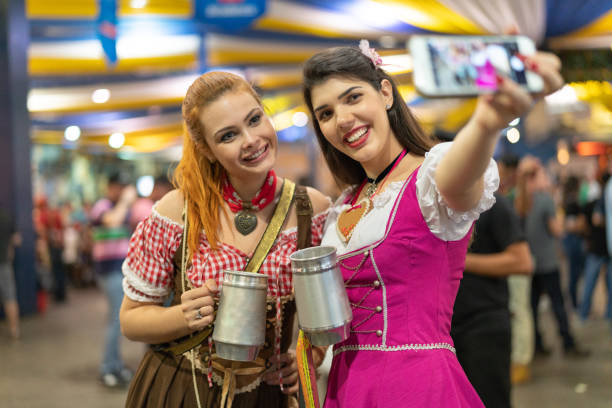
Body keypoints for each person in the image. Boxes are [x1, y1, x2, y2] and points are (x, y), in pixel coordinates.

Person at [301, 40, 563, 407]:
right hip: (346, 393)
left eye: (353, 97)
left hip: (419, 389)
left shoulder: (430, 179)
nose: (342, 119)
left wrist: (487, 122)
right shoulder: (342, 206)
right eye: (325, 113)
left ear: (386, 93)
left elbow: (459, 178)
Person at [119, 71, 330, 407]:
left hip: (268, 396)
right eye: (229, 135)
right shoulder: (177, 212)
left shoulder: (312, 210)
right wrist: (181, 317)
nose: (251, 139)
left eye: (255, 119)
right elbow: (131, 319)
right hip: (183, 391)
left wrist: (310, 356)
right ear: (207, 149)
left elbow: (326, 314)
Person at [451, 192, 533, 408]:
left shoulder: (490, 203)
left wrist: (458, 259)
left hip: (483, 327)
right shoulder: (436, 204)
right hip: (446, 333)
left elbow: (522, 262)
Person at [515, 157, 588, 358]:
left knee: (532, 307)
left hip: (529, 262)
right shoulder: (544, 200)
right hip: (548, 261)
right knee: (558, 304)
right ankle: (568, 342)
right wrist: (566, 225)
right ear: (536, 176)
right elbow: (556, 230)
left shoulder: (518, 200)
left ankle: (537, 344)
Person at [90, 174, 138, 388]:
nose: (121, 191)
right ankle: (107, 368)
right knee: (116, 319)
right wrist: (126, 201)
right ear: (111, 186)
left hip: (122, 270)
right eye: (119, 186)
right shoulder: (102, 206)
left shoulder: (121, 206)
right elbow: (112, 221)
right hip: (108, 271)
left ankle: (116, 365)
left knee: (116, 318)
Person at [498, 152, 535, 383]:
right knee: (515, 311)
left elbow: (522, 210)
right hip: (505, 260)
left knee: (520, 310)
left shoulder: (516, 192)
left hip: (515, 260)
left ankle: (521, 361)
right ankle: (516, 359)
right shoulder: (502, 191)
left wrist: (521, 181)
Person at [0, 206, 21, 340]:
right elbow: (17, 240)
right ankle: (14, 330)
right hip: (5, 263)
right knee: (10, 297)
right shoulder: (7, 217)